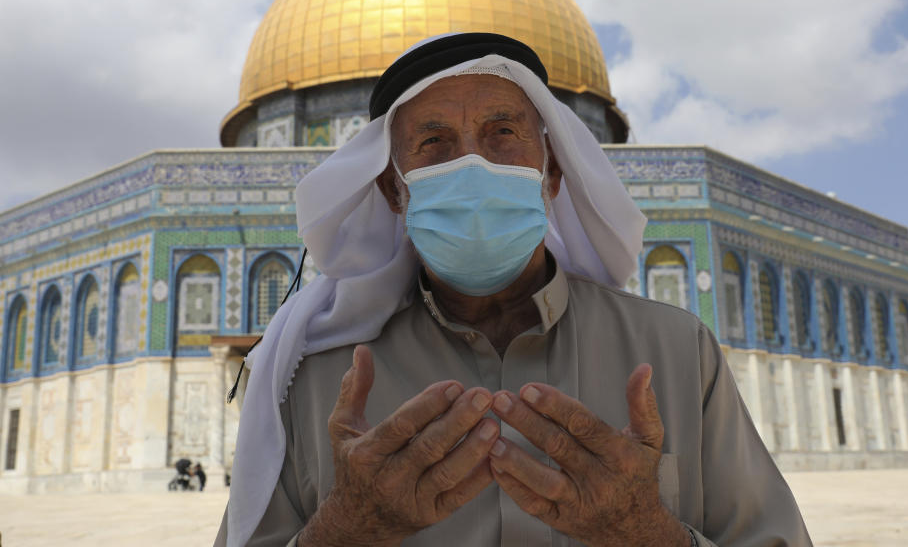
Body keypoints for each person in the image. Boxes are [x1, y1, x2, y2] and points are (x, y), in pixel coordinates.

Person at [215, 33, 812, 546]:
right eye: (434, 144)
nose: (472, 163)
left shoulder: (675, 353)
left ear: (553, 172)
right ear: (393, 191)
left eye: (503, 132)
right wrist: (347, 528)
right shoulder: (311, 376)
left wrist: (645, 529)